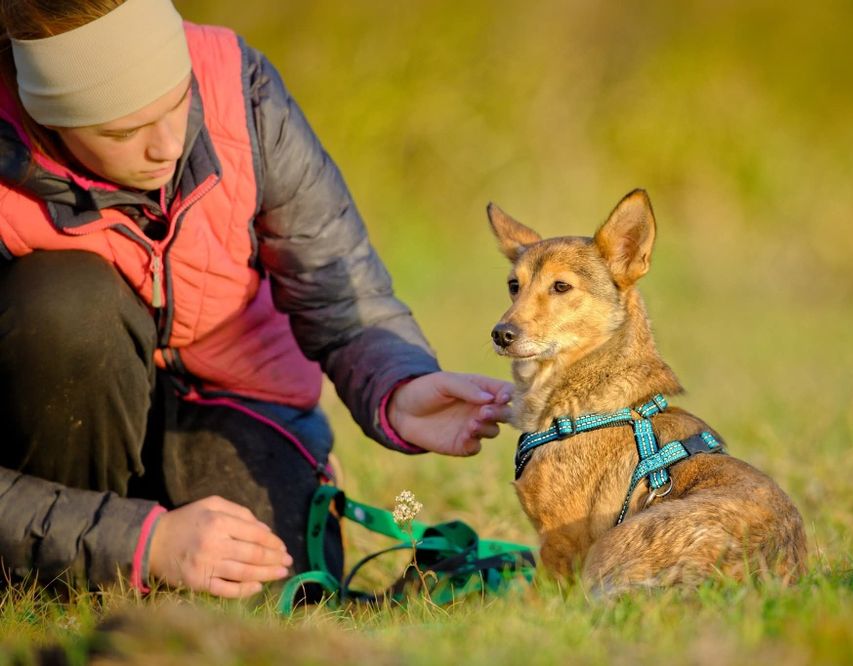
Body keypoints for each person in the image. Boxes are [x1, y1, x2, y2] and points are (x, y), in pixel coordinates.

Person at [0, 0, 511, 599]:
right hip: (50, 432)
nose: (166, 147)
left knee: (277, 595)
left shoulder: (239, 85)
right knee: (66, 306)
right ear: (46, 117)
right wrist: (139, 541)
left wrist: (397, 388)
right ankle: (57, 581)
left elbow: (339, 291)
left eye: (176, 101)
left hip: (236, 398)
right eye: (122, 131)